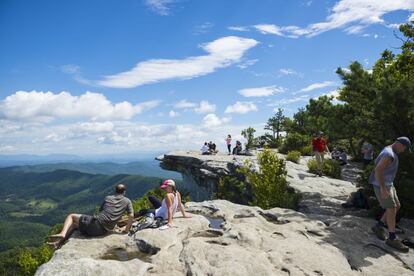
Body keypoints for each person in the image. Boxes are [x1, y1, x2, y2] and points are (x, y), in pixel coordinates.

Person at [48, 184, 134, 248]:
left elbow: (101, 211)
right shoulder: (128, 201)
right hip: (102, 231)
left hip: (95, 224)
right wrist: (126, 230)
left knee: (71, 216)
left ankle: (62, 233)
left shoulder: (108, 198)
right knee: (74, 225)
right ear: (124, 192)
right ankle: (58, 243)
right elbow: (131, 216)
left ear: (115, 190)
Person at [370, 137, 412, 252]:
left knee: (396, 206)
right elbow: (378, 170)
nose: (403, 151)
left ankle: (378, 226)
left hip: (388, 184)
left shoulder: (390, 150)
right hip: (382, 185)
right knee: (391, 208)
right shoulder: (389, 154)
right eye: (404, 148)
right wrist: (383, 188)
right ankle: (392, 238)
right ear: (399, 144)